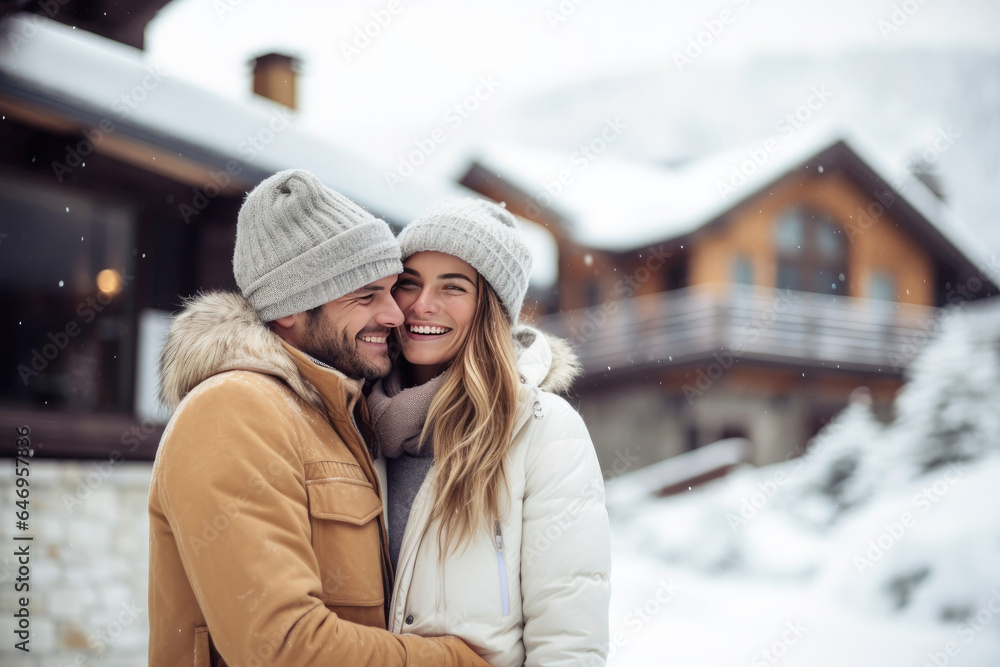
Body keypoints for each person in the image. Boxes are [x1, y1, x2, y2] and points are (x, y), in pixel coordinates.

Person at [148, 170, 490, 667]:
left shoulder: (335, 414)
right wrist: (457, 662)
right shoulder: (233, 411)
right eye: (366, 295)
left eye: (392, 291)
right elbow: (283, 646)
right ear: (289, 310)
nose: (396, 315)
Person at [367, 198, 611, 667]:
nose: (422, 304)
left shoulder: (542, 430)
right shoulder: (354, 417)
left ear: (489, 309)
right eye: (409, 284)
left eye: (452, 287)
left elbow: (568, 640)